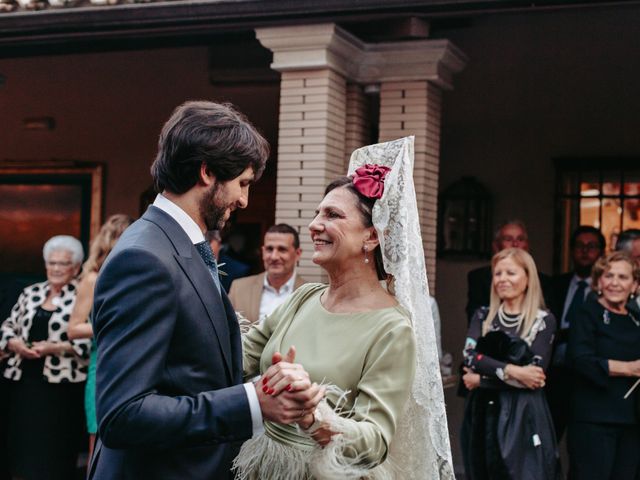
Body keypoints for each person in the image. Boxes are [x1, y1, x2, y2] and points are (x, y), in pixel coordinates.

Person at [89, 101, 323, 480]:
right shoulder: (145, 258)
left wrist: (265, 386)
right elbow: (123, 414)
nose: (244, 201)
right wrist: (252, 403)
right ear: (206, 171)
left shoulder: (179, 244)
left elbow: (190, 373)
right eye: (242, 184)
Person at [234, 137, 454, 479]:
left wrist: (313, 415)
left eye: (332, 215)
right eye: (317, 213)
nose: (314, 225)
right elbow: (238, 356)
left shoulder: (393, 329)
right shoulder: (303, 297)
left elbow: (374, 440)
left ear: (371, 237)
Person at [461, 247, 560, 480]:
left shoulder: (543, 321)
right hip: (482, 414)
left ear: (528, 278)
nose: (503, 279)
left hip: (523, 414)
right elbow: (468, 356)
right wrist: (512, 370)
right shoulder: (482, 315)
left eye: (511, 273)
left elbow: (534, 378)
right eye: (498, 273)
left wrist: (481, 379)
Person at [0, 235, 91, 480]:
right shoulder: (30, 293)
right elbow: (8, 324)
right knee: (22, 442)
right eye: (51, 263)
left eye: (62, 264)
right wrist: (13, 342)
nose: (56, 269)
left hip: (61, 386)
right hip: (24, 383)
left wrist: (55, 348)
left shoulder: (81, 297)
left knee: (55, 446)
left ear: (76, 267)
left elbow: (89, 339)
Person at [567, 251, 640, 480]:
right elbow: (580, 359)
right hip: (594, 419)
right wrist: (630, 368)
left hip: (632, 420)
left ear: (635, 284)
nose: (615, 283)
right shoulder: (587, 313)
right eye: (609, 276)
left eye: (623, 277)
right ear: (599, 281)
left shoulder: (635, 317)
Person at [67, 213, 133, 462]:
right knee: (99, 446)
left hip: (130, 366)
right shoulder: (93, 279)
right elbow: (73, 328)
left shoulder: (132, 276)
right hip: (102, 367)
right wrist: (117, 325)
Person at [546, 225, 605, 441]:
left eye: (591, 246)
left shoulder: (607, 291)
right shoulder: (556, 284)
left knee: (584, 444)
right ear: (571, 250)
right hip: (556, 373)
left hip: (589, 375)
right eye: (579, 246)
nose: (585, 251)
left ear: (601, 252)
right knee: (549, 439)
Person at [465, 220, 553, 324]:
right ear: (496, 246)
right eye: (508, 239)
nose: (515, 244)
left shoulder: (544, 281)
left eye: (520, 239)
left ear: (527, 246)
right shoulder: (479, 278)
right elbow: (475, 322)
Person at [228, 223, 306, 324]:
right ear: (263, 252)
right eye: (269, 249)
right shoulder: (239, 288)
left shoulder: (311, 294)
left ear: (298, 254)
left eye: (282, 249)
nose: (274, 257)